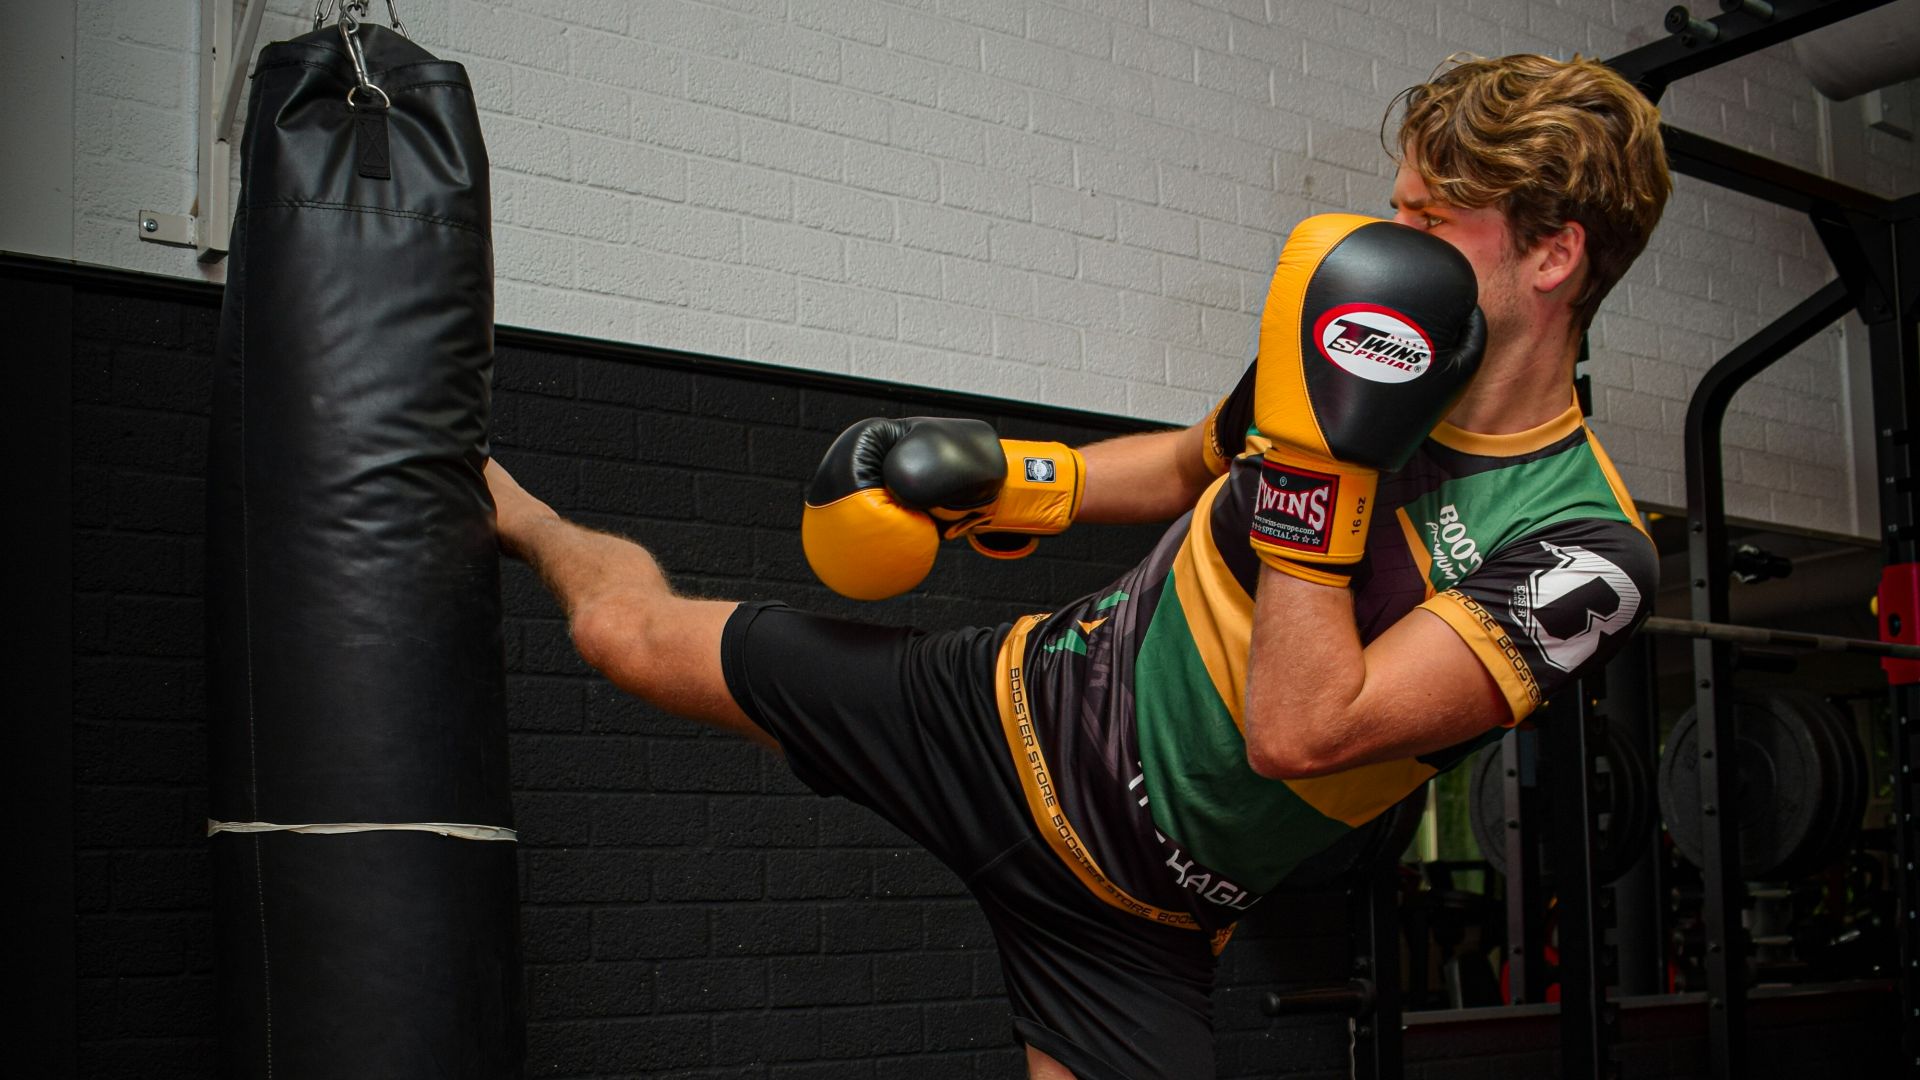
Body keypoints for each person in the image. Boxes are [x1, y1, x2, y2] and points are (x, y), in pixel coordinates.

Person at [485, 53, 1670, 1080]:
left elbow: (1301, 734)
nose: (1387, 242)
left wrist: (1326, 463)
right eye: (1395, 207)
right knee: (618, 640)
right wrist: (1015, 480)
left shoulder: (1585, 551)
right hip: (1002, 711)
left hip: (1142, 918)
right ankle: (506, 500)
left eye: (1428, 220)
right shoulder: (1346, 350)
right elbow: (1183, 469)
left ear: (1553, 255)